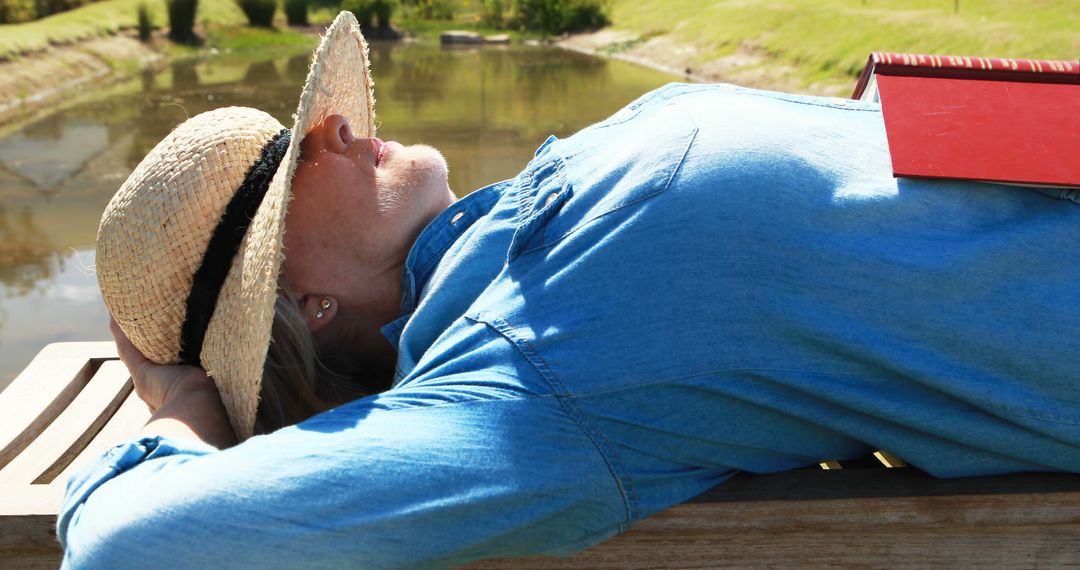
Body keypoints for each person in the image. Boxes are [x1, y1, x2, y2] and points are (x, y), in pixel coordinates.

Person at [60, 11, 1080, 569]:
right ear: (307, 301)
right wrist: (182, 405)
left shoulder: (537, 229)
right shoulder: (528, 376)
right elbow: (129, 544)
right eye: (293, 179)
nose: (333, 128)